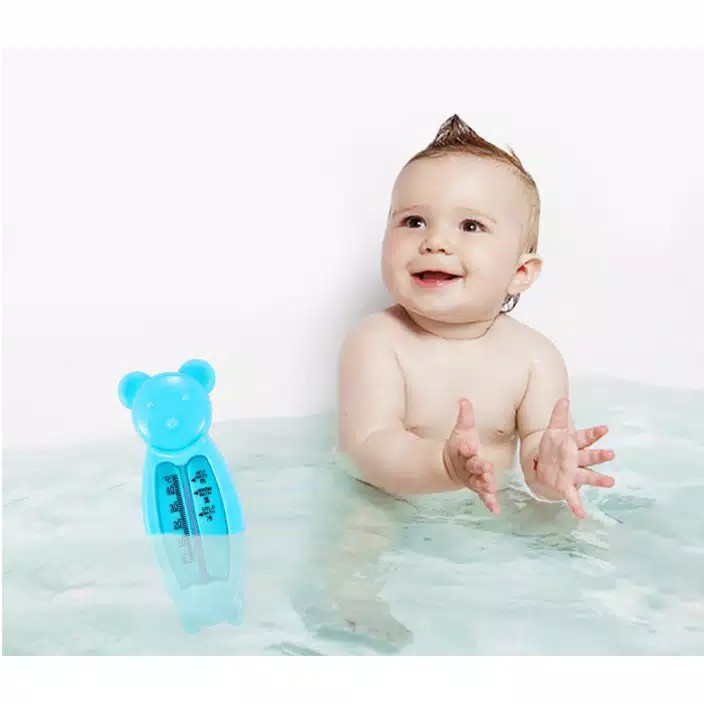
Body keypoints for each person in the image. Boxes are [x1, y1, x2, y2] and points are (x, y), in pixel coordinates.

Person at [337, 115, 616, 519]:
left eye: (470, 225)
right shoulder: (377, 342)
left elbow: (539, 456)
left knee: (577, 531)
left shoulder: (534, 358)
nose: (435, 241)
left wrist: (552, 474)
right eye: (414, 221)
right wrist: (443, 466)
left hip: (492, 513)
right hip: (390, 508)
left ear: (521, 272)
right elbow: (368, 448)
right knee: (360, 538)